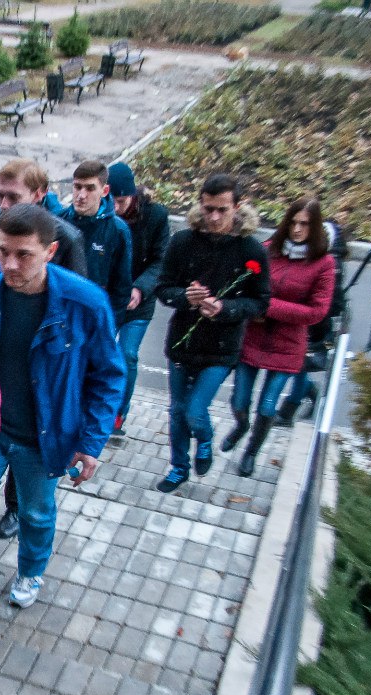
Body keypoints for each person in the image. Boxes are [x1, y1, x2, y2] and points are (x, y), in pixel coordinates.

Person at [0, 205, 123, 645]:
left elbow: (109, 376)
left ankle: (32, 571)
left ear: (51, 251)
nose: (10, 265)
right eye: (2, 252)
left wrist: (92, 443)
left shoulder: (85, 302)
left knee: (36, 512)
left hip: (45, 439)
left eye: (24, 255)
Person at [0, 158, 88, 548]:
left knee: (35, 504)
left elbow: (80, 328)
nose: (2, 203)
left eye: (11, 196)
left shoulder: (67, 241)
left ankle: (19, 519)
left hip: (40, 409)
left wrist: (89, 435)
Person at [154, 173, 270, 493]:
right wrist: (184, 297)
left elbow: (260, 302)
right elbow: (163, 288)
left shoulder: (251, 249)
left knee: (194, 410)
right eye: (208, 209)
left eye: (221, 210)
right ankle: (179, 467)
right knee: (177, 411)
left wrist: (227, 309)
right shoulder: (183, 241)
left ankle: (204, 438)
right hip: (183, 342)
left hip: (221, 346)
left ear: (237, 206)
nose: (214, 217)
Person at [222, 196, 334, 476]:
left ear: (315, 227)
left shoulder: (323, 264)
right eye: (294, 223)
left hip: (288, 344)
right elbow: (243, 284)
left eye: (305, 224)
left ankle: (250, 453)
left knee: (268, 406)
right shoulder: (269, 250)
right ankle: (241, 426)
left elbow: (316, 311)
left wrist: (268, 306)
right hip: (254, 337)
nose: (297, 230)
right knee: (239, 400)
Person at [108, 162, 171, 435]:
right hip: (109, 299)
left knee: (128, 355)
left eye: (120, 201)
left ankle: (119, 413)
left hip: (138, 301)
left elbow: (160, 261)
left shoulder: (156, 216)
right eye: (109, 200)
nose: (114, 207)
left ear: (132, 196)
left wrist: (140, 288)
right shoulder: (103, 215)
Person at [276, 217, 348, 426]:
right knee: (298, 365)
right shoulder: (322, 256)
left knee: (299, 365)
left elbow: (333, 301)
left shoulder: (331, 263)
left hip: (315, 323)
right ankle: (305, 393)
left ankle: (288, 411)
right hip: (306, 319)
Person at [0, 159, 88, 275]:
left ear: (38, 194)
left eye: (13, 197)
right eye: (0, 195)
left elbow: (77, 291)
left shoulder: (67, 238)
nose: (4, 205)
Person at [57, 159, 134, 327]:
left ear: (104, 191)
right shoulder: (58, 221)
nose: (81, 195)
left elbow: (121, 286)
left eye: (90, 188)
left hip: (94, 318)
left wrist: (110, 326)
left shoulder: (117, 230)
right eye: (77, 187)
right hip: (61, 315)